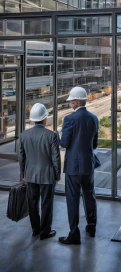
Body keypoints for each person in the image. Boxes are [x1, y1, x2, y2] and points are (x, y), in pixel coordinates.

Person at [59, 86, 99, 245]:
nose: (70, 104)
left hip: (73, 167)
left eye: (71, 101)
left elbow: (63, 143)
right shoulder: (94, 118)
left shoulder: (69, 119)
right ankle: (91, 227)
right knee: (90, 196)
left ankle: (74, 233)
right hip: (88, 164)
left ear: (76, 102)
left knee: (73, 199)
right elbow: (94, 144)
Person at [19, 103, 61, 240]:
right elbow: (55, 157)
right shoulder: (52, 135)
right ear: (44, 119)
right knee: (46, 204)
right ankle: (45, 232)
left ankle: (35, 229)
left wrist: (22, 175)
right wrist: (57, 175)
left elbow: (21, 157)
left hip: (30, 175)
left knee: (32, 203)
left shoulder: (23, 135)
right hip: (47, 176)